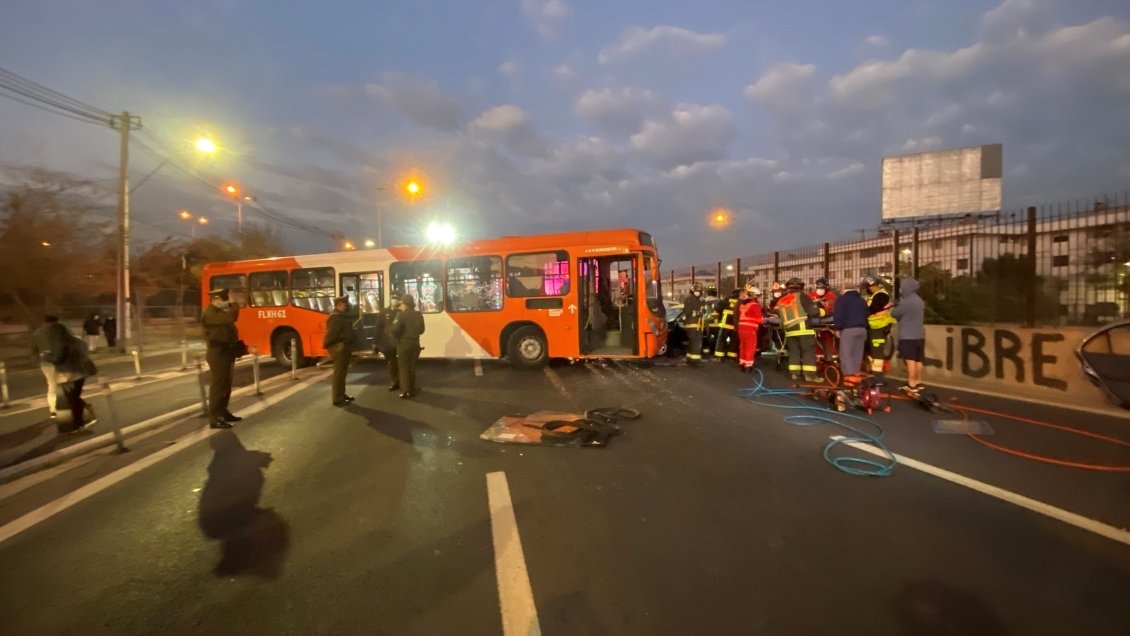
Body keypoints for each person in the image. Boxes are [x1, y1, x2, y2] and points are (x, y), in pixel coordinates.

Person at [201, 289, 243, 429]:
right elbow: (232, 317)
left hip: (225, 351)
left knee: (226, 384)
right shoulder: (210, 313)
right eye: (223, 299)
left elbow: (232, 318)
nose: (225, 301)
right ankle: (215, 418)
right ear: (216, 299)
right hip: (217, 352)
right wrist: (233, 302)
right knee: (218, 386)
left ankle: (223, 412)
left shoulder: (219, 313)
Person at [776, 277, 823, 383]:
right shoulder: (801, 296)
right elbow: (813, 312)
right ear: (801, 287)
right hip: (804, 329)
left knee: (794, 352)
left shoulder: (781, 300)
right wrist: (822, 311)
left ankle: (794, 374)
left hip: (789, 331)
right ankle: (810, 376)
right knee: (808, 351)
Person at [54, 328, 97, 433]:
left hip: (70, 375)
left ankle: (79, 423)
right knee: (74, 397)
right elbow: (85, 356)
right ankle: (84, 414)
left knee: (72, 398)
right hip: (81, 373)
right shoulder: (79, 341)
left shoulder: (61, 345)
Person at [891, 277, 926, 395]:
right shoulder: (919, 300)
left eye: (902, 287)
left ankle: (911, 384)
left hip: (908, 336)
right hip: (919, 335)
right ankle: (919, 382)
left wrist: (897, 304)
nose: (900, 289)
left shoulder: (906, 302)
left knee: (910, 360)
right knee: (918, 359)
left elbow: (894, 313)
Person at [31, 315, 67, 420]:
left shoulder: (37, 333)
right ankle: (66, 408)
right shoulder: (60, 331)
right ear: (56, 321)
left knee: (52, 386)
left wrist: (38, 361)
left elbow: (33, 351)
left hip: (46, 363)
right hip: (61, 362)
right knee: (65, 385)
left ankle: (53, 410)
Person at [324, 296, 356, 406]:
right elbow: (331, 335)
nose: (346, 305)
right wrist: (328, 345)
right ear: (340, 304)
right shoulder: (335, 317)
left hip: (343, 347)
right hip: (339, 348)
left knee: (342, 373)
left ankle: (341, 394)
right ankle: (337, 398)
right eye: (344, 304)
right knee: (339, 373)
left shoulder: (339, 316)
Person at [391, 293, 425, 399]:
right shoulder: (419, 315)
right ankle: (412, 388)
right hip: (415, 344)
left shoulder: (401, 315)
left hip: (403, 344)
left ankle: (406, 391)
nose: (401, 306)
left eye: (402, 304)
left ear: (405, 304)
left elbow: (395, 330)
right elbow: (421, 330)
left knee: (404, 367)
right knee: (412, 367)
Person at [833, 282, 870, 376]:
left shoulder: (842, 300)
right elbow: (867, 314)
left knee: (846, 354)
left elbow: (838, 315)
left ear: (844, 288)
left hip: (849, 330)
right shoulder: (862, 300)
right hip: (862, 330)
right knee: (857, 353)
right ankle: (856, 374)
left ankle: (849, 376)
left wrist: (838, 328)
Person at [863, 275, 896, 374]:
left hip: (879, 327)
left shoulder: (881, 295)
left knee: (877, 351)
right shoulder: (873, 296)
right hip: (873, 327)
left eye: (867, 287)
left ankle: (877, 373)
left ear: (872, 285)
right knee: (871, 349)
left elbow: (873, 309)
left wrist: (865, 310)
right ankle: (873, 370)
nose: (867, 290)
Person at [736, 284, 765, 372]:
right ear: (754, 295)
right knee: (750, 347)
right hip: (750, 329)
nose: (758, 298)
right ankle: (748, 366)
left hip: (741, 328)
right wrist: (766, 319)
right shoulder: (755, 305)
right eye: (757, 296)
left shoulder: (743, 304)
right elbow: (760, 319)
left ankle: (742, 363)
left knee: (743, 346)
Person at [375, 299, 401, 391]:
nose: (395, 300)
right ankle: (394, 382)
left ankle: (402, 381)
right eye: (393, 298)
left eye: (397, 298)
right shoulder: (383, 312)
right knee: (392, 363)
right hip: (388, 342)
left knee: (402, 362)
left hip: (400, 341)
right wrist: (375, 342)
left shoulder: (401, 311)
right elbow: (378, 327)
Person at [681, 282, 706, 366]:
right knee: (696, 343)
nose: (698, 292)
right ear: (693, 290)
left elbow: (703, 310)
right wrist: (699, 313)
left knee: (692, 343)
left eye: (699, 290)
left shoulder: (700, 300)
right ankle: (695, 361)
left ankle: (690, 359)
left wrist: (703, 311)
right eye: (696, 290)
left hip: (698, 325)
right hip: (692, 324)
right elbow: (687, 312)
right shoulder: (689, 299)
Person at [713, 289, 740, 362]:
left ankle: (719, 357)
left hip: (725, 324)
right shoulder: (741, 302)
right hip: (735, 325)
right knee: (733, 341)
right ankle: (731, 356)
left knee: (721, 340)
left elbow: (717, 308)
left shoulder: (726, 299)